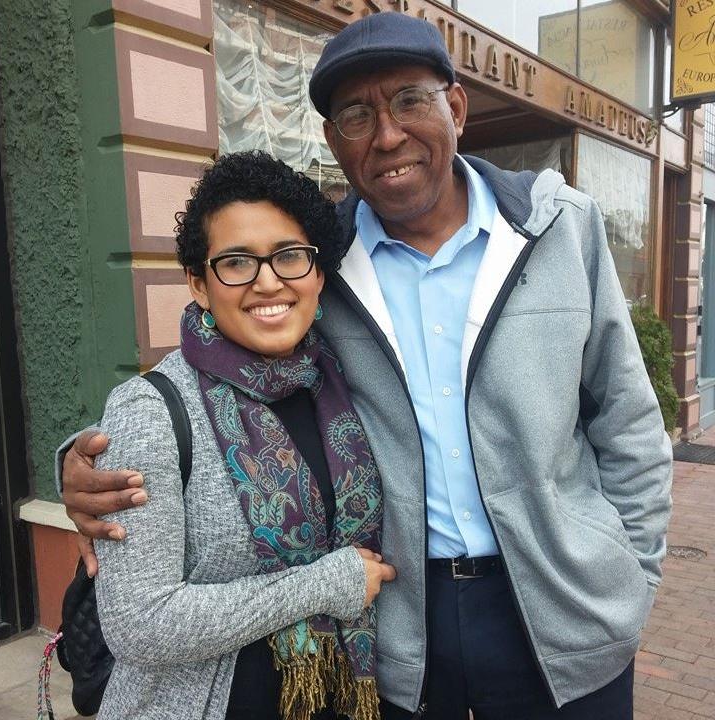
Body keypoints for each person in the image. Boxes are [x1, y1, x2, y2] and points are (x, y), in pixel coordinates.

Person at [58, 12, 672, 720]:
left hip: (564, 600)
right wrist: (85, 459)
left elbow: (628, 420)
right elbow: (215, 375)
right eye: (356, 115)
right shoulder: (323, 262)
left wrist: (630, 579)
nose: (387, 135)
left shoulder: (557, 229)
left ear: (457, 107)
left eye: (410, 99)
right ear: (333, 142)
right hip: (403, 615)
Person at [77, 150, 395, 720]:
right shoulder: (151, 410)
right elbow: (140, 624)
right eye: (236, 262)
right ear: (199, 283)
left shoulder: (343, 384)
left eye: (288, 256)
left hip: (342, 696)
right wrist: (325, 585)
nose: (268, 281)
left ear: (318, 272)